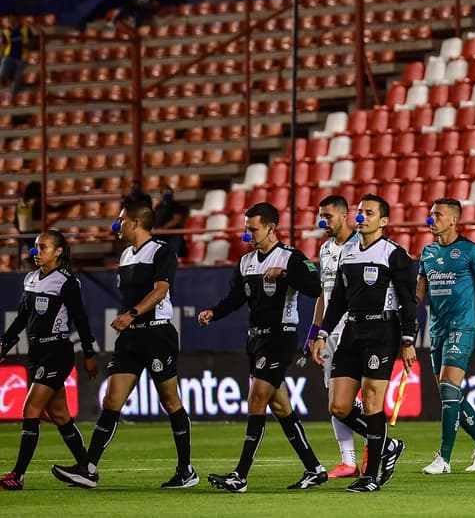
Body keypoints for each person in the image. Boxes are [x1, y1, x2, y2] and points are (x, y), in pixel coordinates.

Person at [51, 200, 197, 489]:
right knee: (112, 400)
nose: (116, 226)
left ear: (135, 222)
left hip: (157, 333)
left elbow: (161, 289)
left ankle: (186, 470)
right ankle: (89, 469)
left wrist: (131, 314)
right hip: (131, 337)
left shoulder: (162, 251)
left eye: (120, 220)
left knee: (170, 401)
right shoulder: (127, 255)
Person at [198, 203, 326, 492]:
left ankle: (240, 476)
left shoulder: (290, 257)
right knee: (280, 406)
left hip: (280, 337)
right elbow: (235, 299)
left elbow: (315, 287)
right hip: (255, 339)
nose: (248, 235)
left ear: (271, 228)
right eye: (246, 229)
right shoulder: (246, 263)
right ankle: (314, 468)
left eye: (253, 229)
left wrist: (284, 275)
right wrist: (213, 313)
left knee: (256, 401)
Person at [310, 194, 417, 492]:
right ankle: (389, 445)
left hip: (382, 331)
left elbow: (409, 301)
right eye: (359, 212)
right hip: (351, 331)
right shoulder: (348, 254)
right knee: (339, 406)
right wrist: (321, 333)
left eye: (368, 213)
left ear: (383, 221)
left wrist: (408, 340)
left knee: (371, 402)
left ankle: (370, 476)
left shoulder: (393, 254)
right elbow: (337, 302)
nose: (361, 217)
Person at [0, 230, 98, 490]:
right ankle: (87, 470)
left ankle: (17, 475)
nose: (35, 252)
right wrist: (5, 343)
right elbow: (21, 318)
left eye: (42, 247)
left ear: (58, 252)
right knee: (59, 414)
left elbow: (81, 319)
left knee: (30, 409)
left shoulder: (66, 281)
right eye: (34, 247)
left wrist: (89, 354)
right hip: (37, 353)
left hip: (57, 352)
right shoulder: (31, 279)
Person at [416, 198, 475, 475]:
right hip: (436, 329)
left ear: (454, 220)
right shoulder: (427, 253)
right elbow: (417, 295)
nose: (432, 220)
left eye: (438, 215)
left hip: (462, 326)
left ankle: (443, 459)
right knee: (449, 395)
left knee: (447, 390)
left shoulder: (472, 251)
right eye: (431, 214)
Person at [308, 195, 361, 478]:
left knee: (356, 397)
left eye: (327, 216)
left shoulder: (362, 244)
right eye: (321, 216)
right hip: (330, 332)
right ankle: (348, 461)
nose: (322, 222)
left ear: (344, 215)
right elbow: (323, 295)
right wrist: (315, 333)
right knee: (335, 398)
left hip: (355, 329)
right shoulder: (325, 249)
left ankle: (376, 445)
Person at [1, 15, 33, 99]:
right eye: (9, 19)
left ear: (18, 20)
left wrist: (27, 43)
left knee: (17, 77)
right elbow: (4, 44)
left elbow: (31, 40)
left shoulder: (25, 29)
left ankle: (12, 95)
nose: (11, 21)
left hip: (21, 57)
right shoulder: (6, 31)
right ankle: (6, 84)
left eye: (13, 19)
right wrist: (1, 54)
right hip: (9, 56)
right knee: (3, 71)